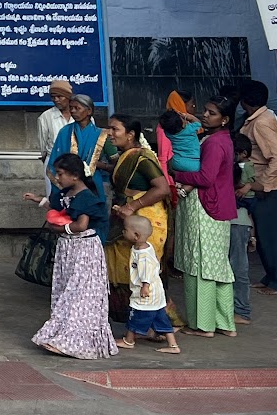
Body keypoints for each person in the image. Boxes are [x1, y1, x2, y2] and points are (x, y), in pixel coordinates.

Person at [24, 153, 117, 359]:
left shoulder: (86, 198)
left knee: (79, 295)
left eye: (60, 174)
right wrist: (39, 200)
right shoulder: (67, 193)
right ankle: (62, 336)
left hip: (84, 249)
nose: (57, 178)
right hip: (69, 249)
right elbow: (59, 207)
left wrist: (59, 229)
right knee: (65, 291)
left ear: (75, 175)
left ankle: (75, 342)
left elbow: (81, 225)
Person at [172, 96, 239, 336]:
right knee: (217, 267)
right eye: (205, 111)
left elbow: (205, 178)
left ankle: (203, 325)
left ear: (225, 119)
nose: (205, 115)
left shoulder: (213, 143)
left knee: (199, 266)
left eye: (212, 113)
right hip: (218, 207)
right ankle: (224, 323)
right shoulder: (222, 138)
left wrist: (176, 174)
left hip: (205, 207)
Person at [102, 117, 171, 298]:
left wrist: (132, 206)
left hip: (144, 218)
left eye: (115, 129)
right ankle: (127, 309)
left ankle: (152, 311)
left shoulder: (142, 158)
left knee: (143, 270)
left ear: (130, 134)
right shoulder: (126, 155)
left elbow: (162, 188)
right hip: (126, 217)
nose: (110, 134)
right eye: (109, 129)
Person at [239, 80, 277, 295]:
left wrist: (263, 182)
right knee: (264, 235)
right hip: (263, 186)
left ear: (244, 101)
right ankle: (272, 277)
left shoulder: (261, 123)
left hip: (269, 187)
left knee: (273, 237)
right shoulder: (261, 118)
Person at [115, 214, 180, 353]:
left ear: (136, 235)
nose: (123, 231)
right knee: (160, 317)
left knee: (135, 314)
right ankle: (173, 345)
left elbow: (146, 272)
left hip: (146, 292)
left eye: (125, 229)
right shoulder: (147, 246)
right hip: (156, 292)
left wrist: (145, 286)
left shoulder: (142, 255)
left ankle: (129, 340)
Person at [47, 94, 114, 205]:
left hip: (94, 186)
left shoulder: (102, 135)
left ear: (89, 111)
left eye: (77, 108)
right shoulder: (65, 132)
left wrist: (98, 164)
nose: (73, 111)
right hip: (69, 185)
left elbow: (116, 165)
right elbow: (55, 162)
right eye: (71, 108)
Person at [230, 133, 257, 325]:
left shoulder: (243, 168)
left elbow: (258, 186)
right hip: (239, 220)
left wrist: (247, 185)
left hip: (238, 221)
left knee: (238, 267)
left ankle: (242, 311)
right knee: (236, 265)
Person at [37, 81, 73, 160]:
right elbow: (43, 145)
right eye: (53, 97)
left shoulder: (82, 116)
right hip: (53, 159)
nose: (56, 100)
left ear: (68, 97)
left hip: (77, 161)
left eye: (59, 96)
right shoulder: (46, 117)